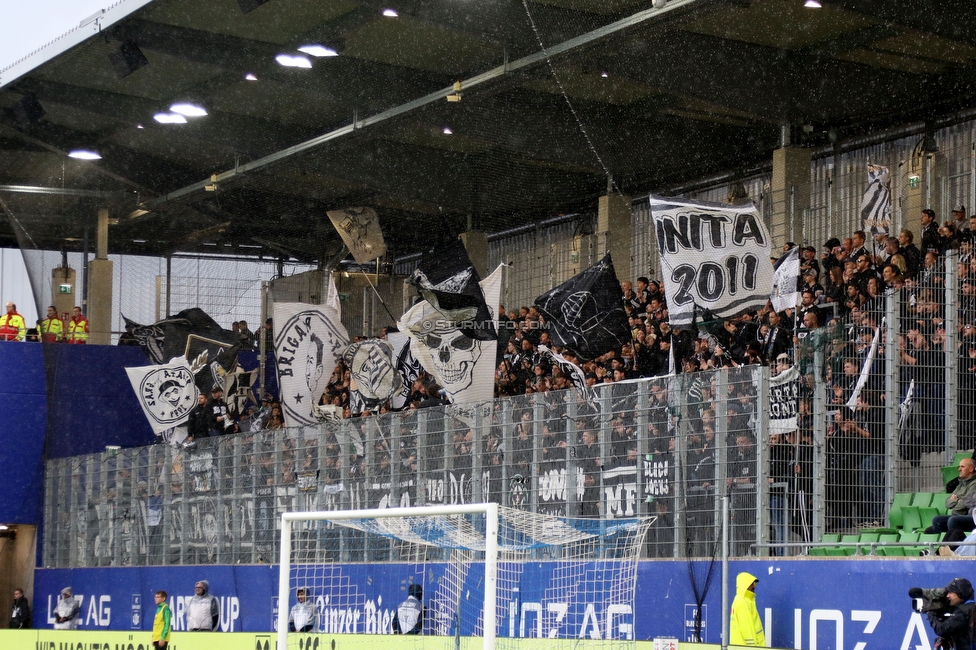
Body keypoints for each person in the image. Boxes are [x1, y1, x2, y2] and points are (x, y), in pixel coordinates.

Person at [919, 577, 975, 650]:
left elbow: (942, 629)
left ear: (960, 593)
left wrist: (931, 613)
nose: (948, 596)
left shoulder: (963, 612)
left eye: (951, 592)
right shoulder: (971, 608)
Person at [926, 458, 976, 536]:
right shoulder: (961, 484)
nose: (959, 469)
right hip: (957, 515)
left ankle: (953, 546)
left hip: (969, 516)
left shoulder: (974, 483)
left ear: (971, 469)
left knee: (953, 520)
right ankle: (942, 545)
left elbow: (966, 503)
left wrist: (956, 500)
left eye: (962, 467)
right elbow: (947, 503)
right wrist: (957, 500)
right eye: (959, 467)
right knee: (936, 520)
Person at [729, 572, 764, 647]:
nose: (754, 586)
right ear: (745, 585)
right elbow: (747, 629)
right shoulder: (742, 602)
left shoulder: (747, 600)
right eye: (751, 584)